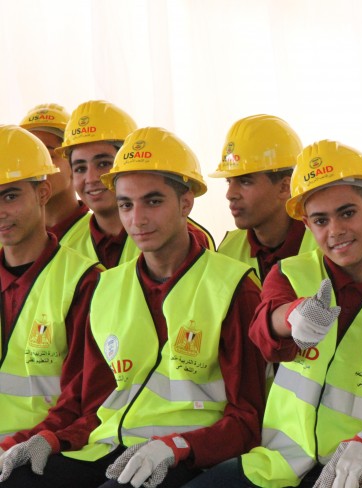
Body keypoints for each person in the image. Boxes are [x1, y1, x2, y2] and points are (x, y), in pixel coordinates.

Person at [0, 127, 266, 488]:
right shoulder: (108, 287)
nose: (137, 219)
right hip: (107, 446)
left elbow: (248, 418)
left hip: (190, 453)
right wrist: (51, 439)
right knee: (16, 480)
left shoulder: (233, 287)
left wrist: (179, 446)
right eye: (126, 204)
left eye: (153, 201)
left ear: (186, 202)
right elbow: (89, 405)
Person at [187, 139, 362, 488]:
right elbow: (266, 330)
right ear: (307, 226)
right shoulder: (290, 274)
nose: (335, 231)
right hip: (274, 466)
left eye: (347, 213)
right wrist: (294, 317)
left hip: (361, 468)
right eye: (321, 220)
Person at [0, 125, 101, 455]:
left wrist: (15, 444)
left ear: (43, 193)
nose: (0, 211)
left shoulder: (84, 281)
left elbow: (82, 403)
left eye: (10, 195)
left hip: (41, 451)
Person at [58, 101, 214, 268]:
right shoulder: (64, 245)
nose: (91, 178)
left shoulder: (182, 238)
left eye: (103, 164)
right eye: (80, 168)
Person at [211, 114, 317, 281]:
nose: (230, 194)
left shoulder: (326, 244)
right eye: (228, 181)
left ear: (284, 187)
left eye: (245, 181)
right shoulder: (227, 251)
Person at [19, 104, 90, 240]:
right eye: (27, 156)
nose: (37, 165)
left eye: (48, 155)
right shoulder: (8, 239)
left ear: (75, 162)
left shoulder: (101, 236)